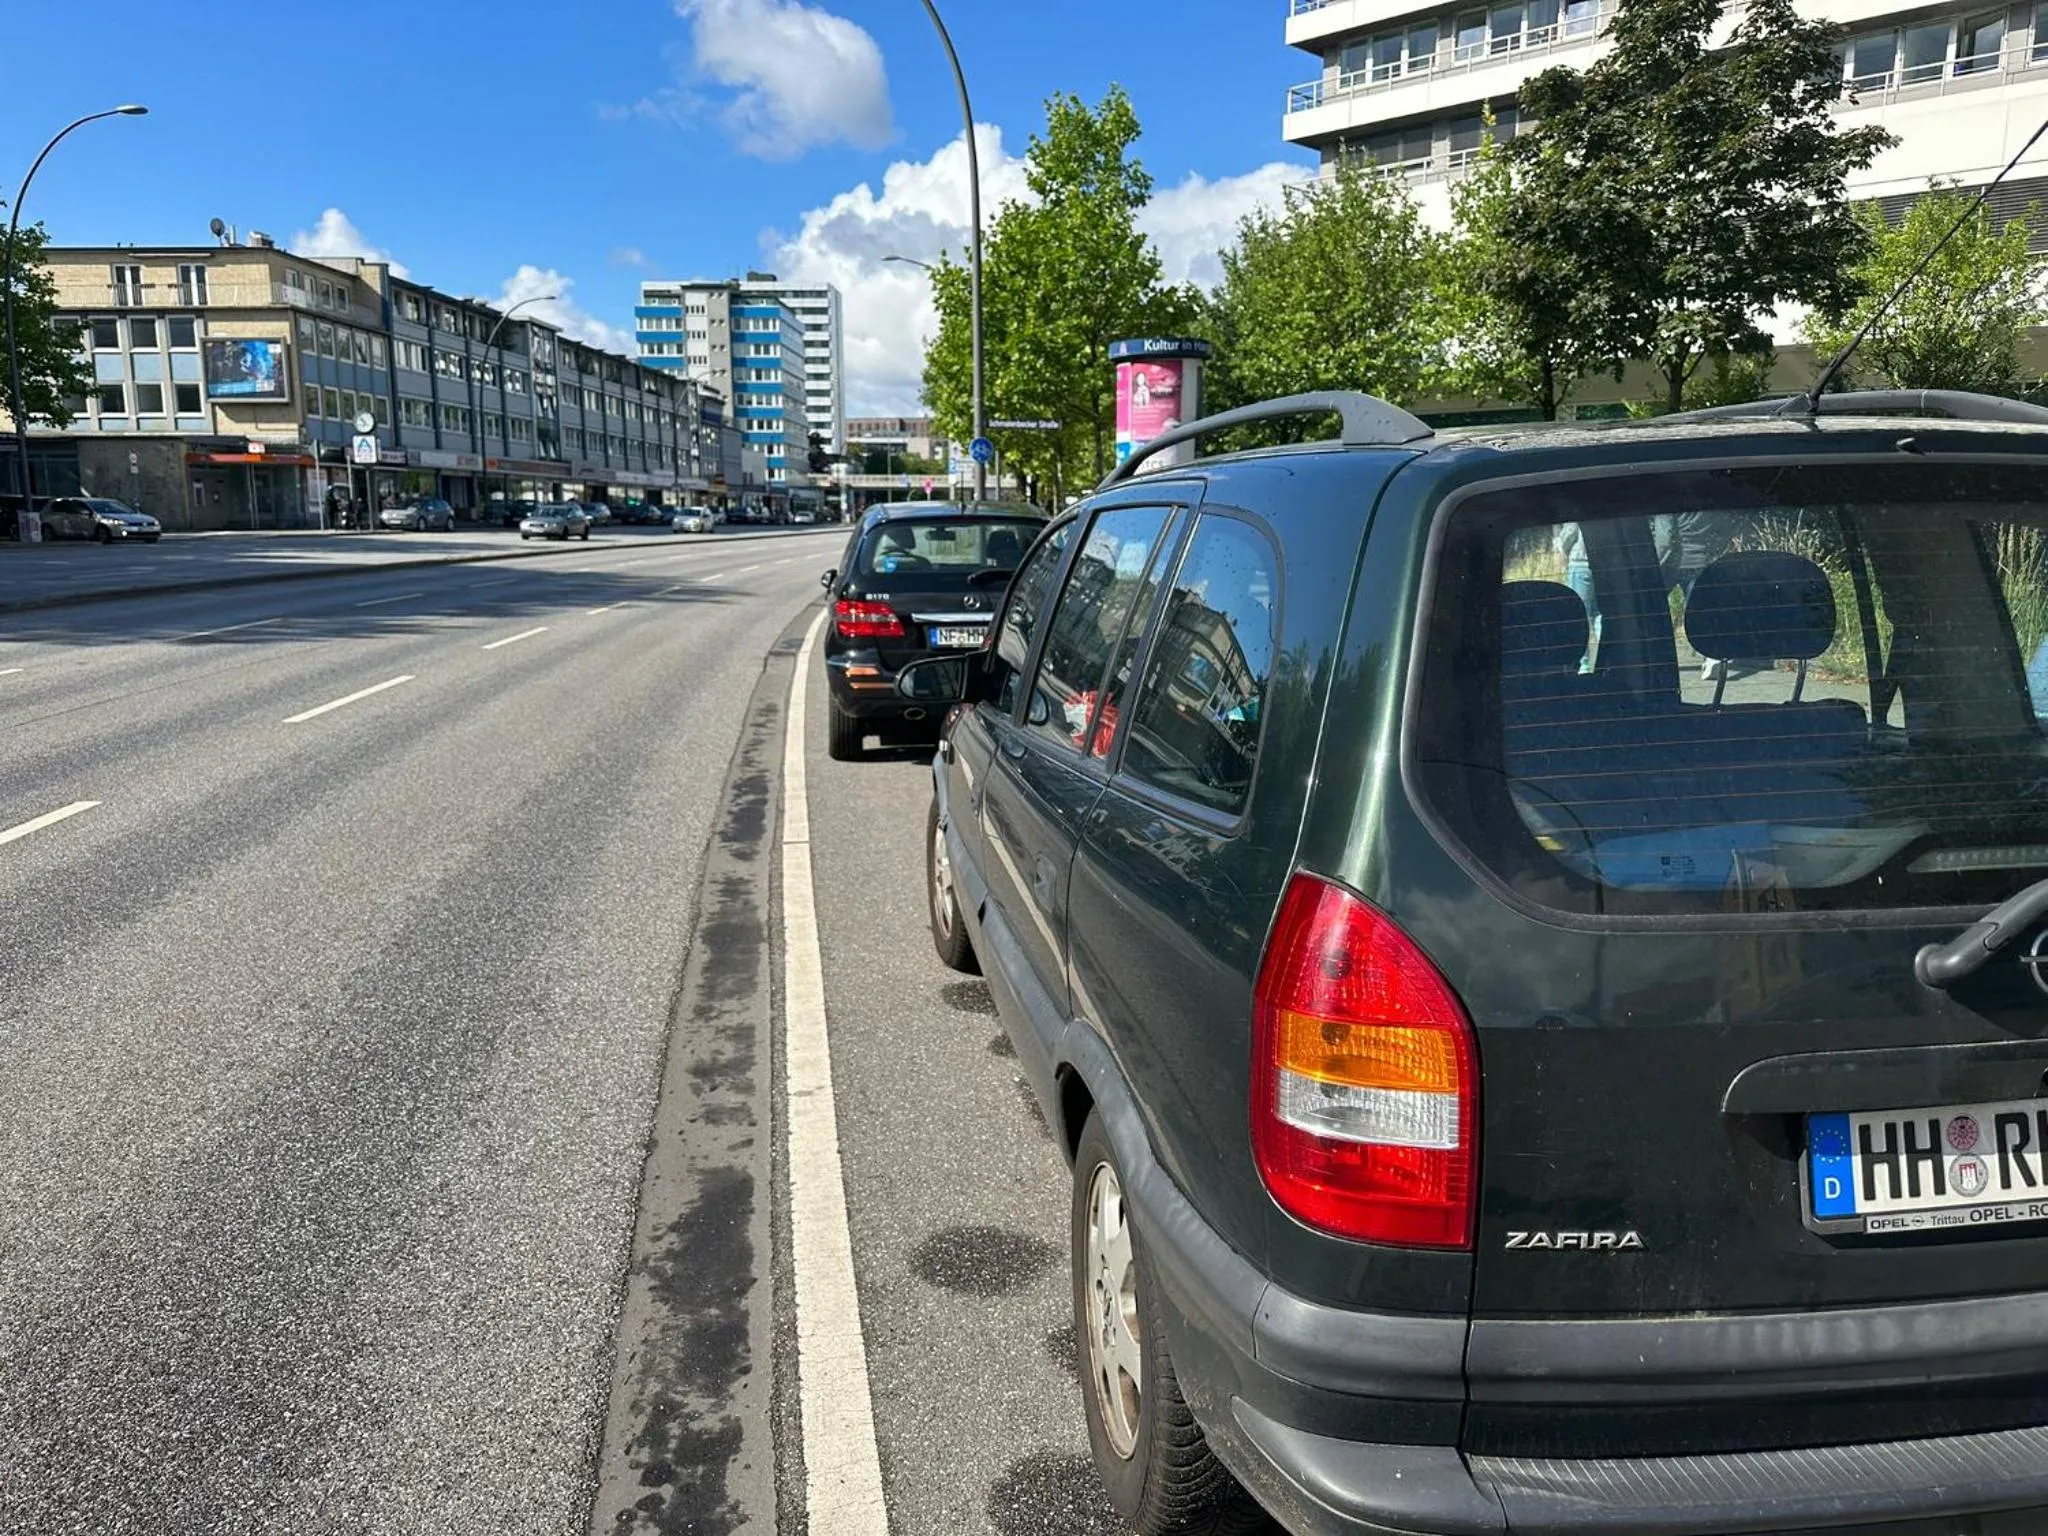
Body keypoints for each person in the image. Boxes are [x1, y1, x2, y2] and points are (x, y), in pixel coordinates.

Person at [1553, 522, 1600, 673]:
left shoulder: (1577, 504)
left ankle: (1584, 663)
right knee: (1597, 614)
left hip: (1579, 564)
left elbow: (1571, 530)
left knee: (1579, 615)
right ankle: (1612, 654)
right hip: (1600, 565)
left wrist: (1561, 548)